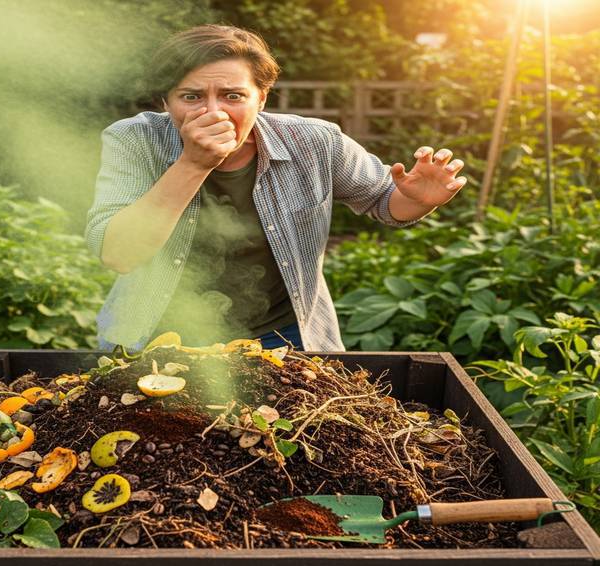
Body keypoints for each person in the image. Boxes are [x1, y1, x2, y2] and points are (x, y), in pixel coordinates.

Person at [85, 25, 466, 353]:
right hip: (156, 335)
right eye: (192, 97)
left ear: (261, 99)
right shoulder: (134, 140)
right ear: (165, 101)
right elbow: (119, 253)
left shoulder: (314, 141)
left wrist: (416, 200)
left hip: (283, 339)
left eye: (233, 96)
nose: (213, 112)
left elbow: (384, 199)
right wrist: (193, 163)